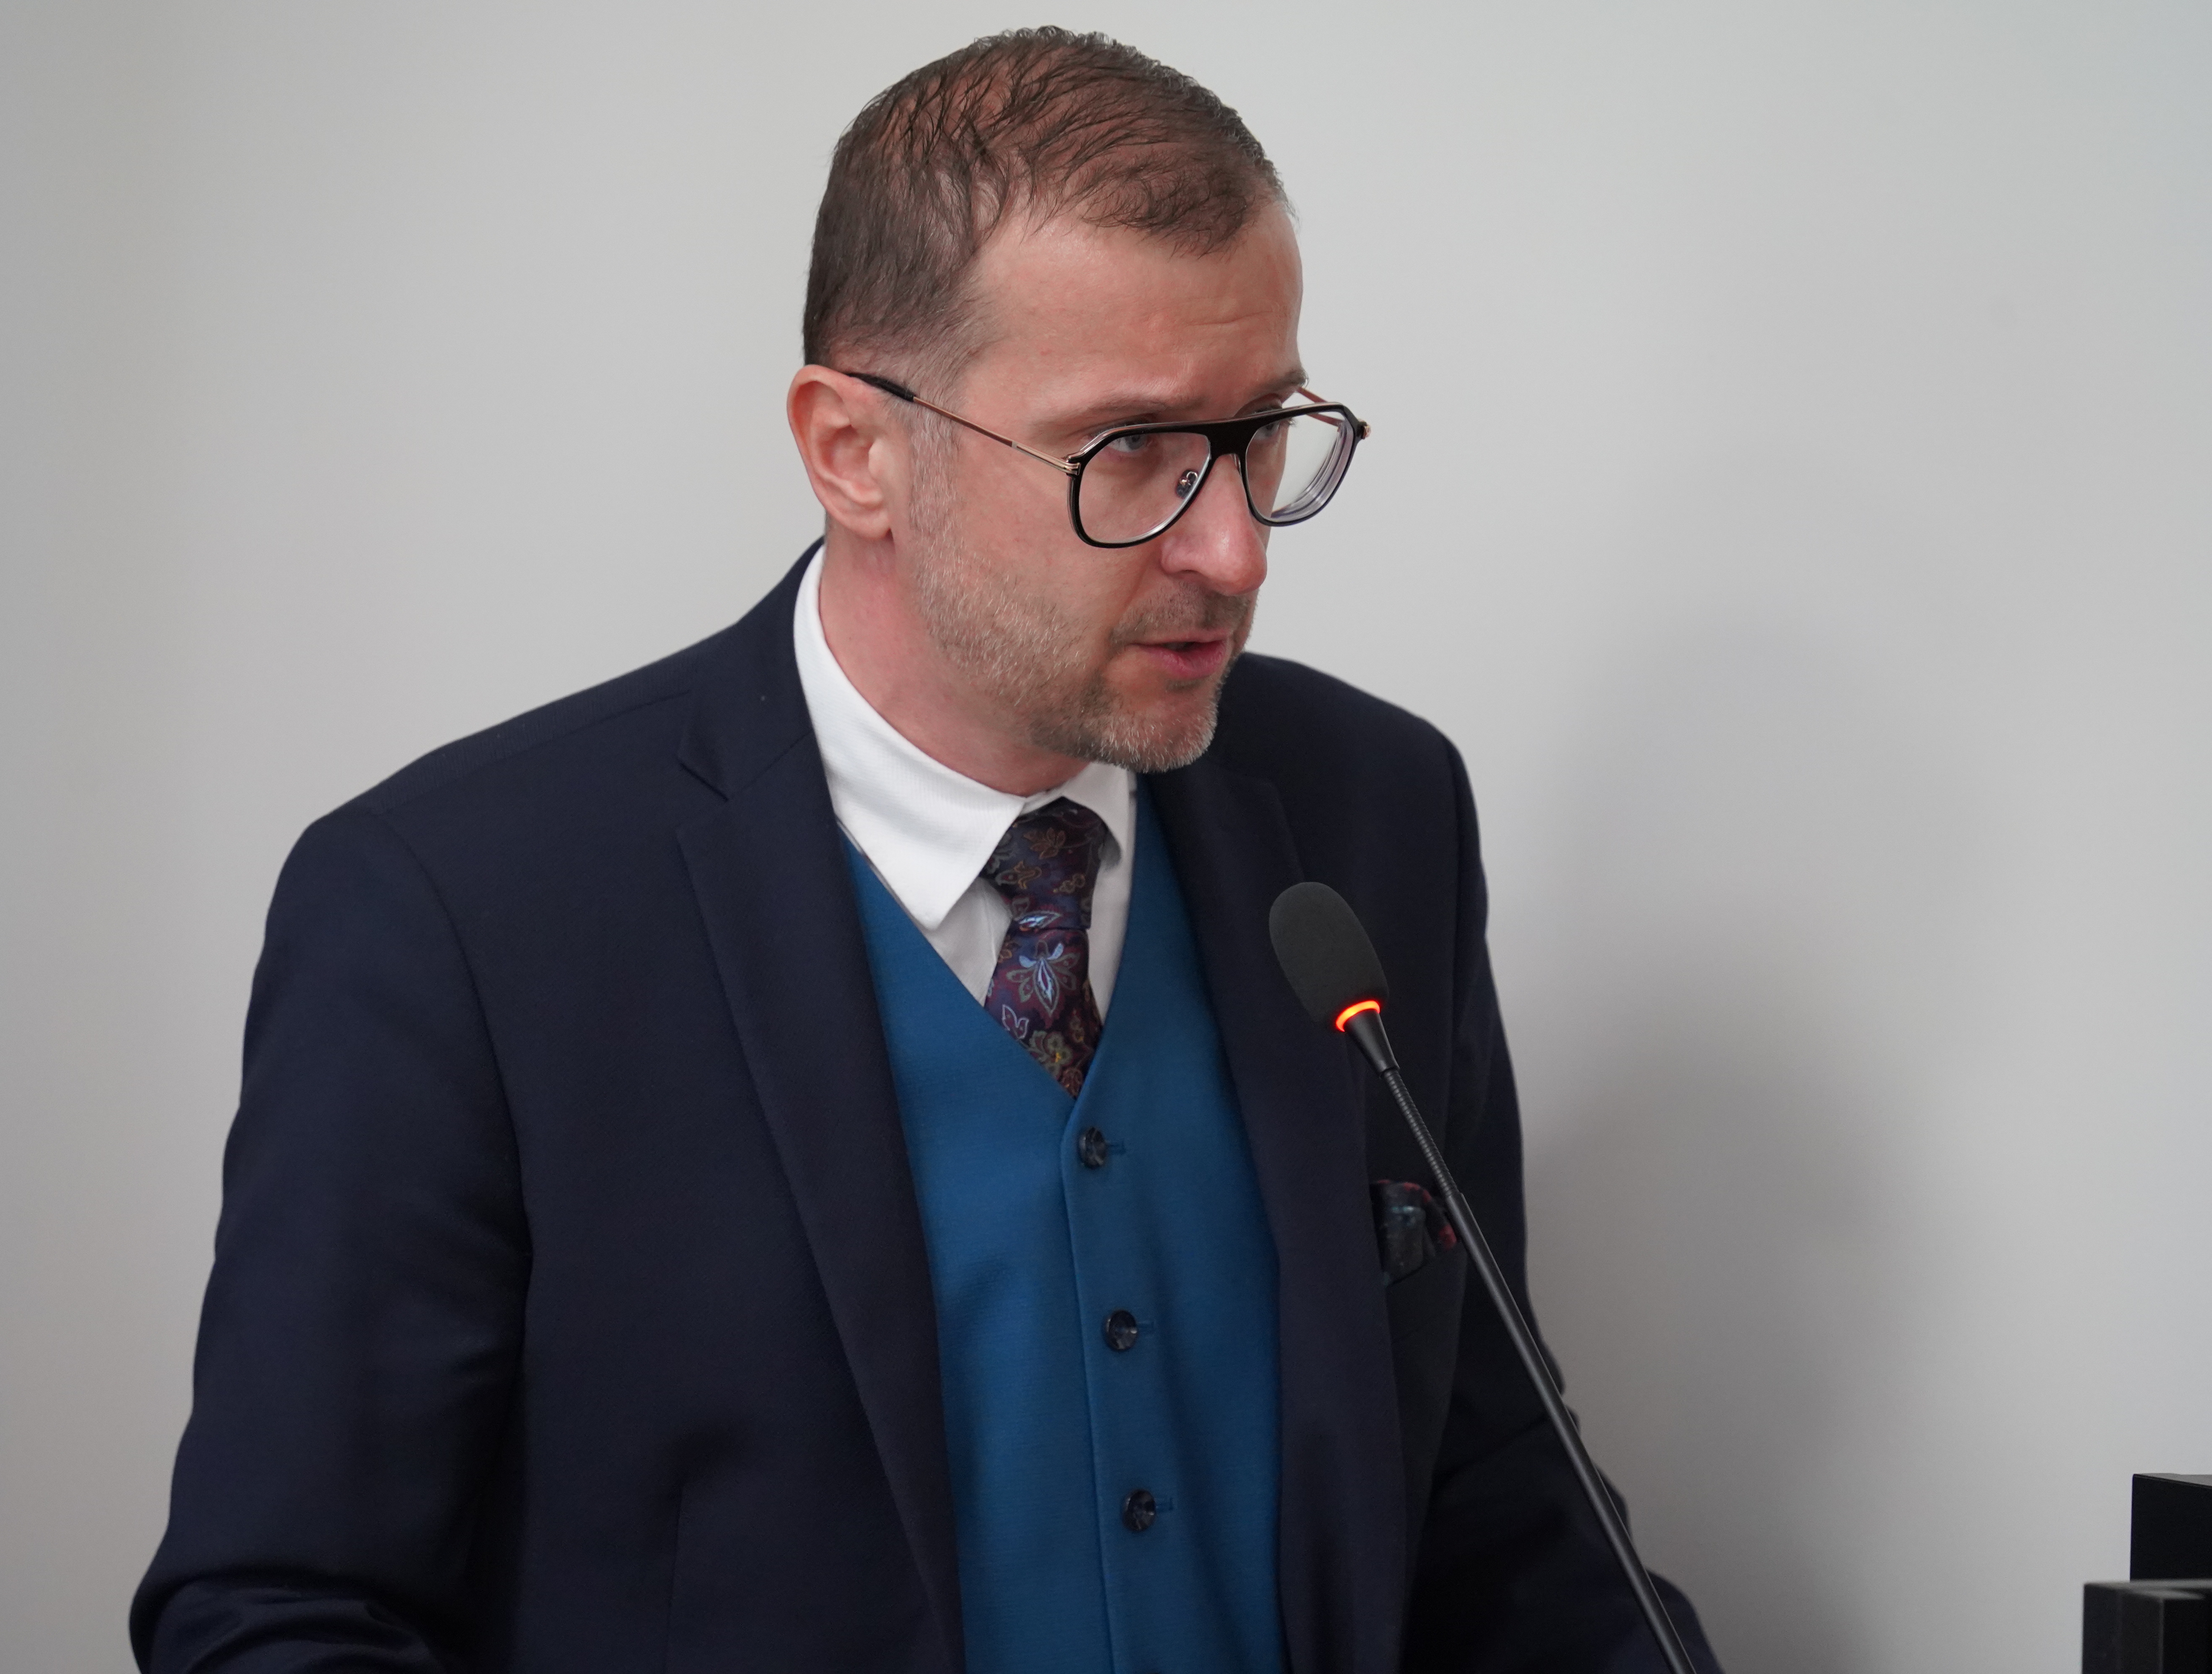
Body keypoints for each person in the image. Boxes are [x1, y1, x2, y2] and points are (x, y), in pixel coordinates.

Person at [134, 28, 1721, 1674]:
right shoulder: (458, 916)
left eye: (1261, 433)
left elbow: (1497, 1503)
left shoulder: (1377, 812)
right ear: (855, 451)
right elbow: (281, 1613)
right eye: (1130, 452)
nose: (1235, 546)